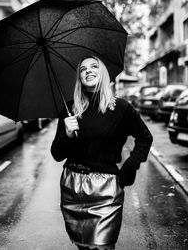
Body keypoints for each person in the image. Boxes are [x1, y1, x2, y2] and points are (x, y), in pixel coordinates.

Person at [51, 55, 153, 250]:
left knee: (101, 246)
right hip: (72, 186)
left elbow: (145, 137)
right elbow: (56, 154)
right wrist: (66, 133)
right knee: (82, 246)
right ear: (79, 78)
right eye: (83, 69)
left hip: (105, 190)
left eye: (94, 66)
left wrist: (132, 163)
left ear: (103, 73)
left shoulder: (120, 107)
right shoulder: (70, 109)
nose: (88, 71)